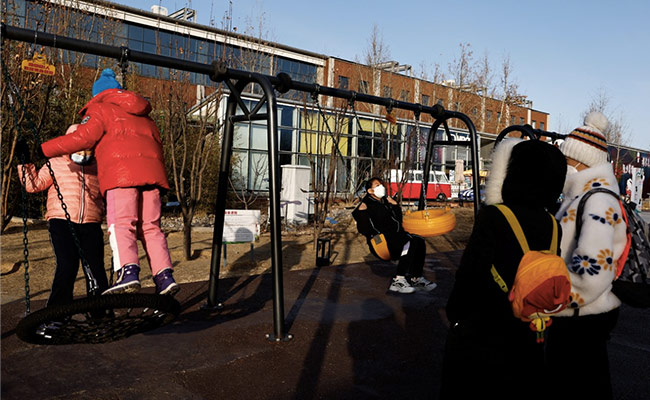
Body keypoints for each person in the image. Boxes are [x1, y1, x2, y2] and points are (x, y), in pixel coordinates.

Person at [440, 138, 567, 399]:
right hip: (528, 332)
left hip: (485, 331)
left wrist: (455, 314)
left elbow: (470, 275)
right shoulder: (553, 225)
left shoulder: (494, 217)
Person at [36, 68, 179, 296]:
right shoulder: (146, 116)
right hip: (152, 177)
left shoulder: (100, 109)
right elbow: (156, 143)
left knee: (121, 223)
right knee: (151, 228)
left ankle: (128, 271)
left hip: (122, 176)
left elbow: (82, 138)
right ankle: (164, 276)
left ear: (98, 95)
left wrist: (43, 149)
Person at [546, 111, 627, 399]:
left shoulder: (598, 200)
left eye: (568, 158)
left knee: (579, 384)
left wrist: (557, 300)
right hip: (583, 313)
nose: (564, 164)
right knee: (589, 381)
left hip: (581, 314)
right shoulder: (585, 195)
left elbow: (593, 269)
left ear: (583, 161)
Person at [16, 124, 109, 306]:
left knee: (95, 267)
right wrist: (24, 162)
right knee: (68, 265)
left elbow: (109, 192)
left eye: (88, 149)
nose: (83, 153)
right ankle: (57, 311)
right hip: (62, 221)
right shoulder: (56, 163)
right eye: (79, 148)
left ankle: (100, 310)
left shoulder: (98, 166)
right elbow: (33, 185)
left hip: (91, 222)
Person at [356, 177, 437, 294]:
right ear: (370, 191)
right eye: (377, 185)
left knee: (419, 240)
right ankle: (398, 280)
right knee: (409, 242)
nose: (381, 187)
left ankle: (416, 278)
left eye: (382, 185)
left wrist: (395, 206)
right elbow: (364, 229)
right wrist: (362, 213)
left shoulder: (385, 202)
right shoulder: (366, 205)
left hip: (395, 237)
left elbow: (398, 221)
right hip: (381, 243)